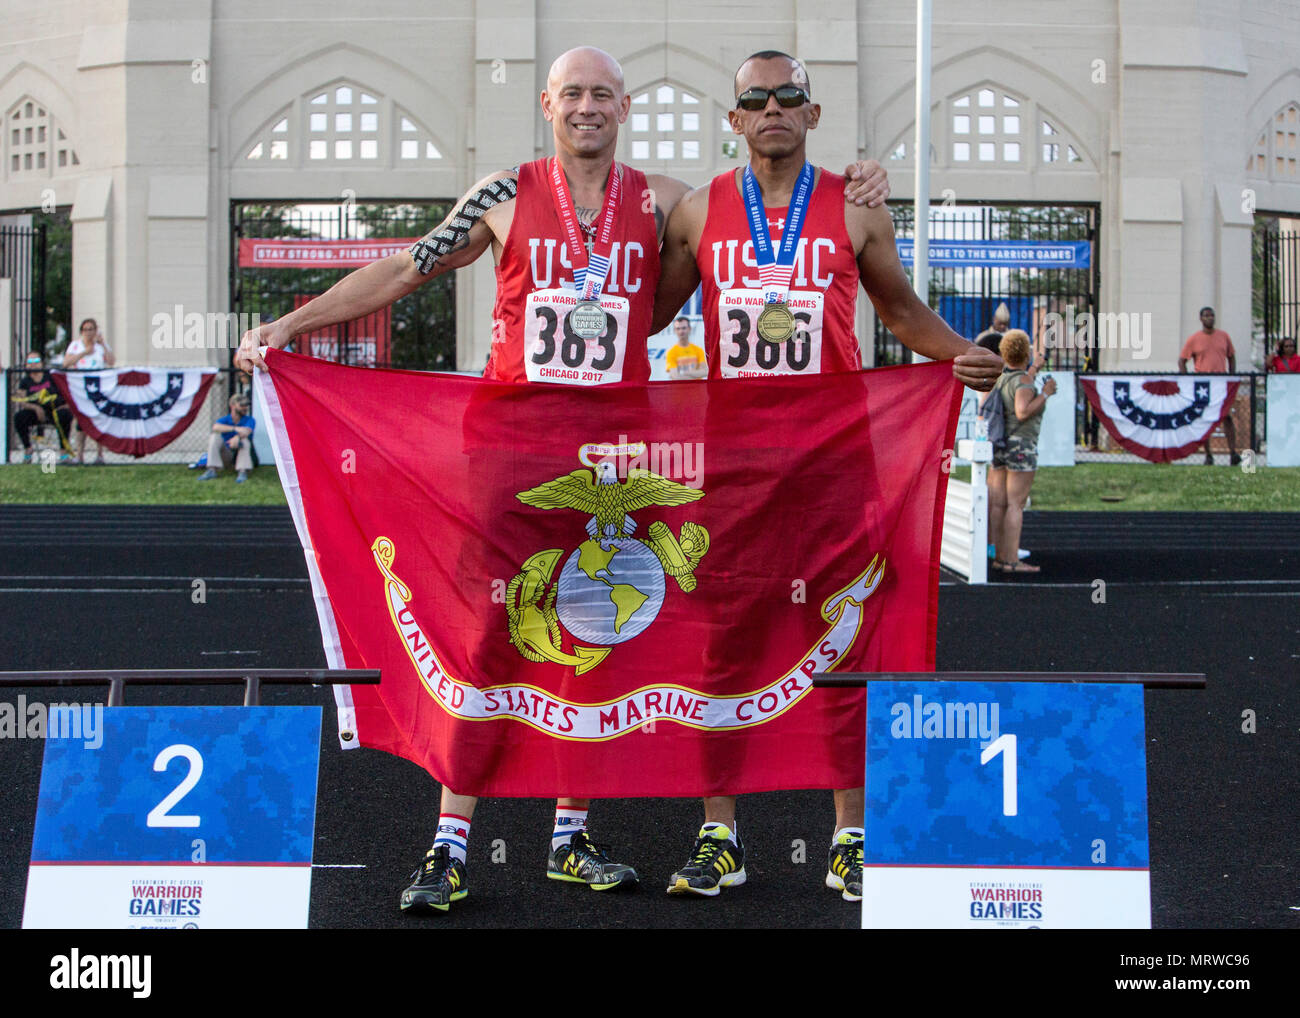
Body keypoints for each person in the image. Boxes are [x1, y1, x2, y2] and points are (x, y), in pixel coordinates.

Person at [236, 45, 894, 915]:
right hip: (510, 450)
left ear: (625, 109)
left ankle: (569, 836)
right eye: (572, 94)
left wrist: (861, 180)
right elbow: (407, 268)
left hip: (609, 456)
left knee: (592, 634)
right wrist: (292, 323)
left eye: (603, 96)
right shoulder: (502, 195)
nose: (588, 107)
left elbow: (757, 208)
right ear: (548, 104)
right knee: (489, 634)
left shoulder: (664, 203)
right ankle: (448, 843)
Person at [652, 49, 1003, 903]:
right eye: (755, 100)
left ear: (812, 112)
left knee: (848, 638)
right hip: (731, 468)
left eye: (789, 97)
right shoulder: (699, 212)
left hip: (838, 464)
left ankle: (850, 834)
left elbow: (900, 312)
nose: (772, 109)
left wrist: (966, 354)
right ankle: (718, 835)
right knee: (721, 646)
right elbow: (644, 319)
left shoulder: (857, 210)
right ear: (735, 121)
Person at [986, 329, 1053, 575]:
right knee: (1016, 505)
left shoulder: (1003, 377)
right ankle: (1012, 560)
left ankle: (1001, 557)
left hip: (1001, 445)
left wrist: (1034, 368)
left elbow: (1021, 380)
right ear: (1025, 352)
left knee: (999, 505)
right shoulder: (1024, 381)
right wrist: (1045, 394)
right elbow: (1023, 410)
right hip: (1021, 447)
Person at [1178, 306, 1239, 465]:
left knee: (1226, 416)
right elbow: (1182, 360)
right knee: (1204, 418)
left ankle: (1233, 453)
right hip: (1202, 384)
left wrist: (1231, 376)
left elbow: (1231, 356)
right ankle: (1208, 454)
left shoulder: (1223, 336)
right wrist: (1187, 380)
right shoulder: (1194, 339)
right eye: (1206, 315)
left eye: (1212, 315)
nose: (1210, 318)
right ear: (1201, 318)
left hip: (1220, 382)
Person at [62, 318, 115, 464]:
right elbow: (66, 363)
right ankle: (80, 455)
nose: (89, 332)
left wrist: (102, 343)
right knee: (81, 422)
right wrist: (84, 352)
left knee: (98, 420)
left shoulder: (100, 347)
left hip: (98, 389)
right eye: (86, 329)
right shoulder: (75, 346)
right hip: (80, 388)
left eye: (92, 329)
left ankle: (99, 455)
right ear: (81, 332)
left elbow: (111, 361)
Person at [12, 353, 73, 462]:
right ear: (26, 365)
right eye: (30, 362)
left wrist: (65, 405)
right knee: (19, 417)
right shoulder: (24, 381)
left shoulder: (51, 377)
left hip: (54, 410)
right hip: (36, 412)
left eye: (36, 361)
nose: (33, 364)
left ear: (41, 363)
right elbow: (21, 401)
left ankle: (64, 452)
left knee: (64, 415)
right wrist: (35, 408)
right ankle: (28, 450)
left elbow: (65, 392)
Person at [198, 393, 255, 483]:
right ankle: (212, 470)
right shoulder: (225, 419)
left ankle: (242, 472)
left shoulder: (249, 420)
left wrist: (237, 438)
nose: (245, 408)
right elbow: (215, 427)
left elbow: (247, 431)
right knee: (215, 437)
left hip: (239, 453)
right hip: (226, 455)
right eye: (242, 405)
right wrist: (235, 428)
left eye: (246, 405)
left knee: (244, 441)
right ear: (232, 406)